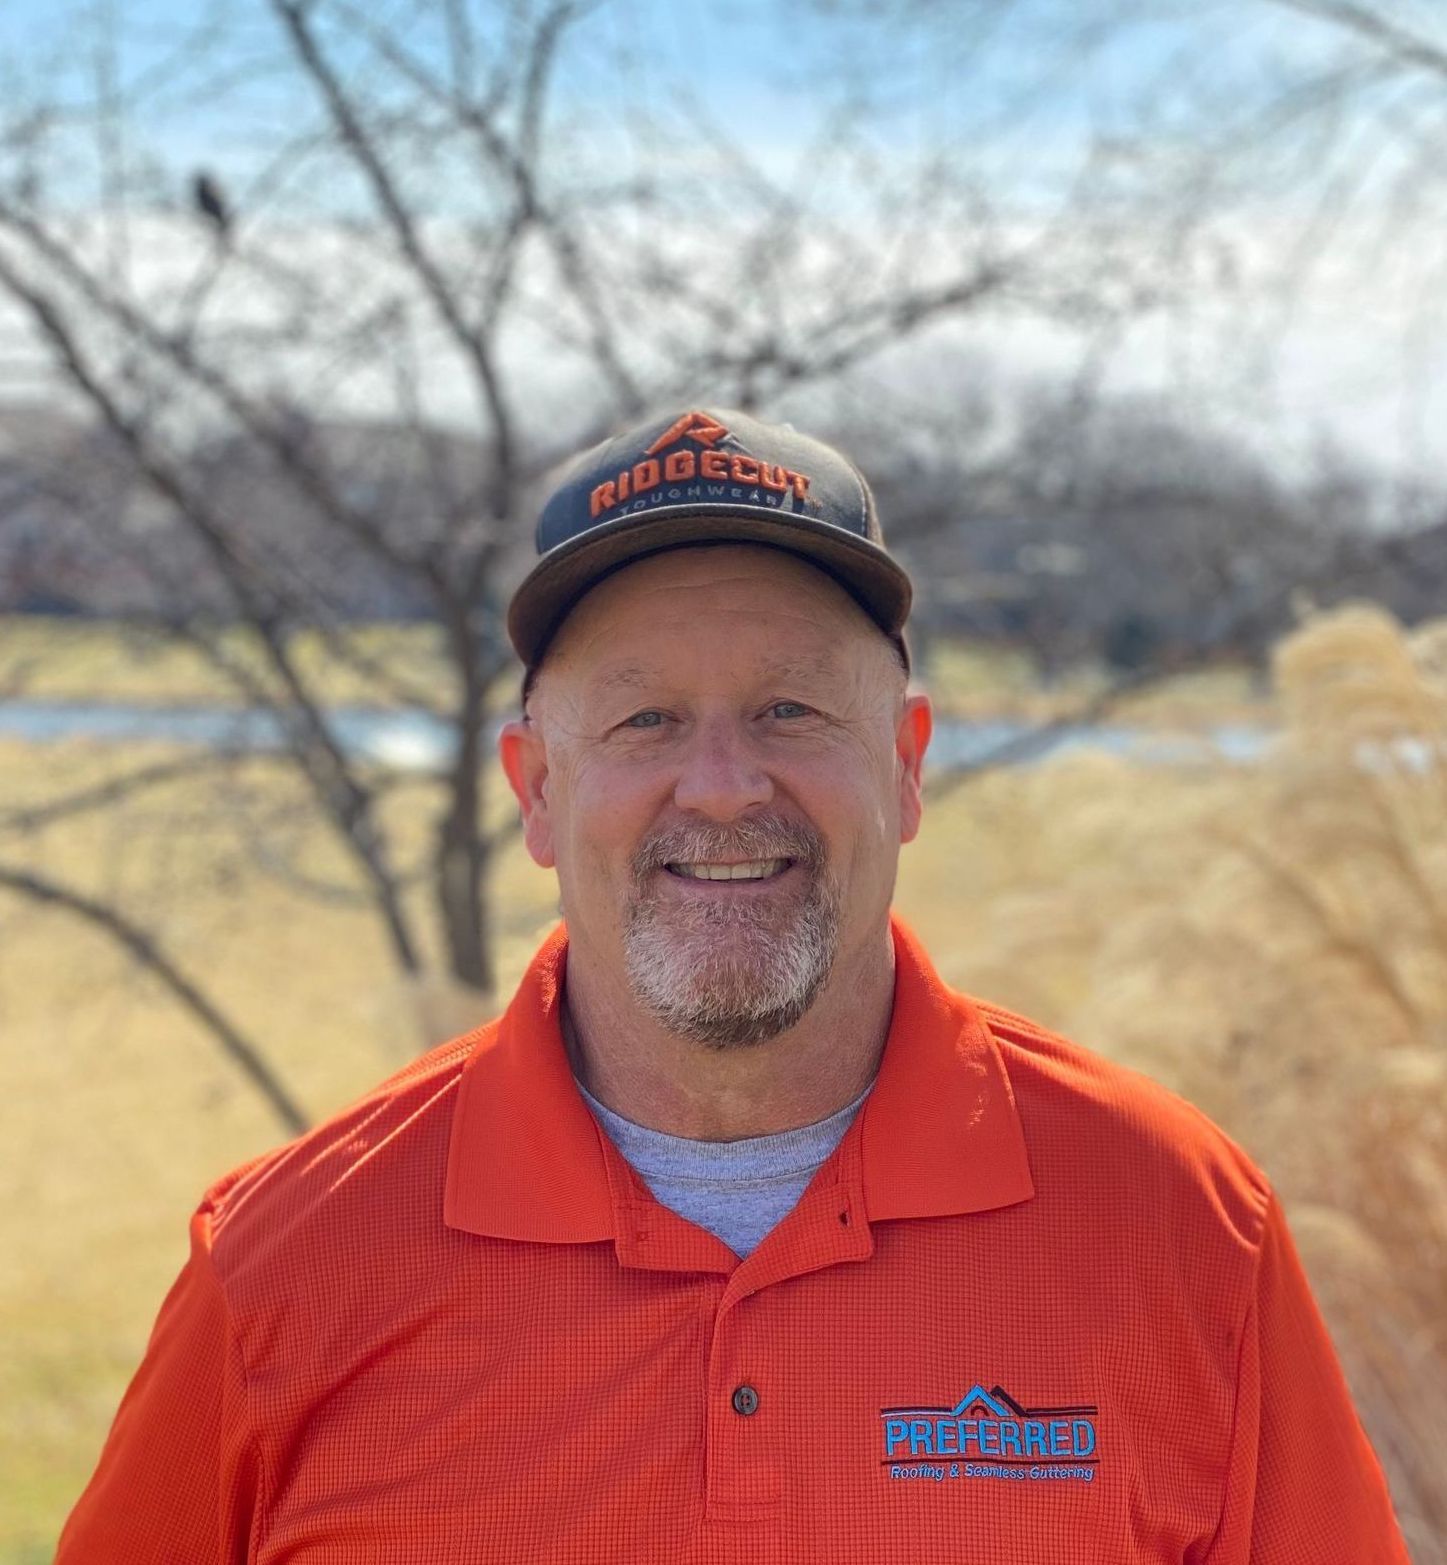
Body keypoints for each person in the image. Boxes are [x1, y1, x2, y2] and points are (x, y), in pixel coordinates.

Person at [57, 407, 1411, 1563]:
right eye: (645, 718)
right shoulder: (287, 1268)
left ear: (906, 763)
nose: (721, 786)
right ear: (535, 787)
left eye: (791, 710)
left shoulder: (1177, 1225)